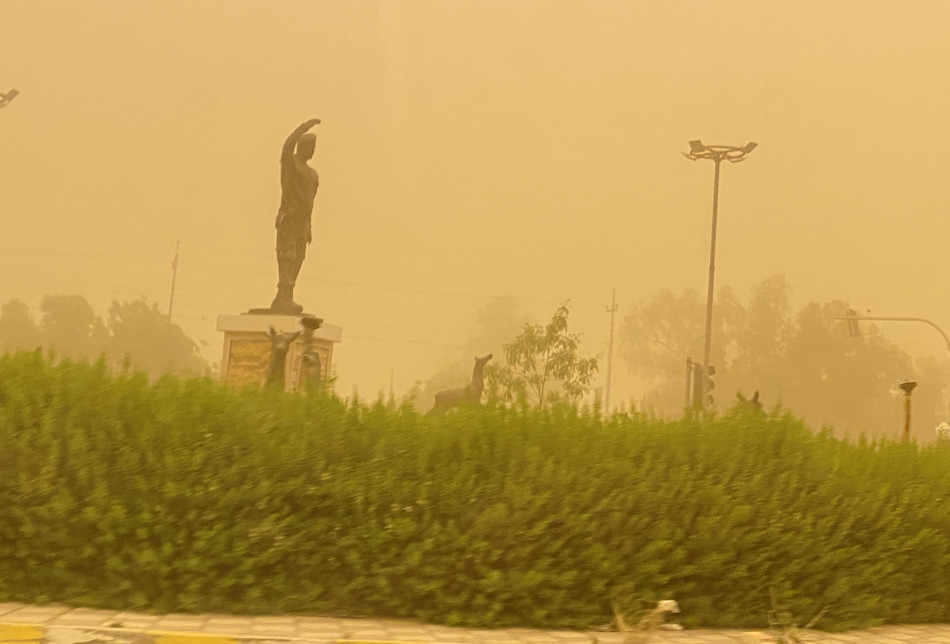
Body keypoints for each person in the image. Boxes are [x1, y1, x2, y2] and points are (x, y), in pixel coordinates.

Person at [271, 118, 321, 314]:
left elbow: (310, 203)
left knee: (299, 257)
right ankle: (285, 297)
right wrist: (304, 127)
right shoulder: (292, 164)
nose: (313, 150)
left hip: (301, 222)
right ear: (302, 146)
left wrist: (308, 226)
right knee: (287, 256)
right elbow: (286, 146)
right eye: (311, 146)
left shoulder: (312, 175)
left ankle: (282, 297)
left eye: (315, 147)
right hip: (289, 218)